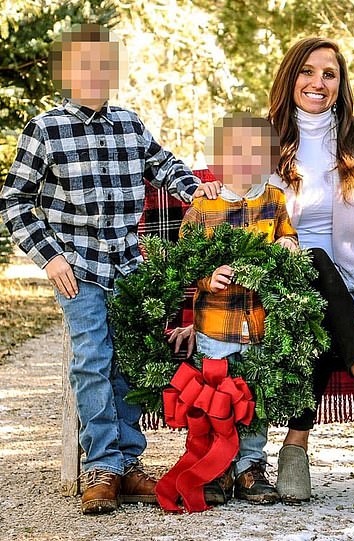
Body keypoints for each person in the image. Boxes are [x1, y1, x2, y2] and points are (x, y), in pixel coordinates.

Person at [170, 36, 354, 505]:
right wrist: (199, 309)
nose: (318, 82)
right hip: (269, 276)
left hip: (344, 279)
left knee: (323, 299)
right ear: (290, 76)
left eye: (329, 74)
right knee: (312, 263)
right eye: (308, 72)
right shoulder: (265, 136)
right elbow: (236, 214)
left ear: (341, 84)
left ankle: (295, 447)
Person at [0, 24, 215, 515]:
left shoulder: (129, 124)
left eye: (103, 66)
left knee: (128, 362)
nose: (94, 75)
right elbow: (14, 201)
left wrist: (193, 189)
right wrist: (49, 256)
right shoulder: (45, 129)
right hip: (77, 267)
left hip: (128, 266)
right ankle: (100, 466)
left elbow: (163, 165)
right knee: (93, 359)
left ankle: (128, 463)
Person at [180, 114, 299, 505]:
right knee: (216, 397)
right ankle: (217, 466)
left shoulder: (274, 200)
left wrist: (287, 245)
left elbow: (288, 238)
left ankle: (250, 466)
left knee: (252, 397)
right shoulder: (204, 205)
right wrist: (206, 278)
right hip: (215, 326)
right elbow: (185, 260)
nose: (245, 161)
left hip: (257, 323)